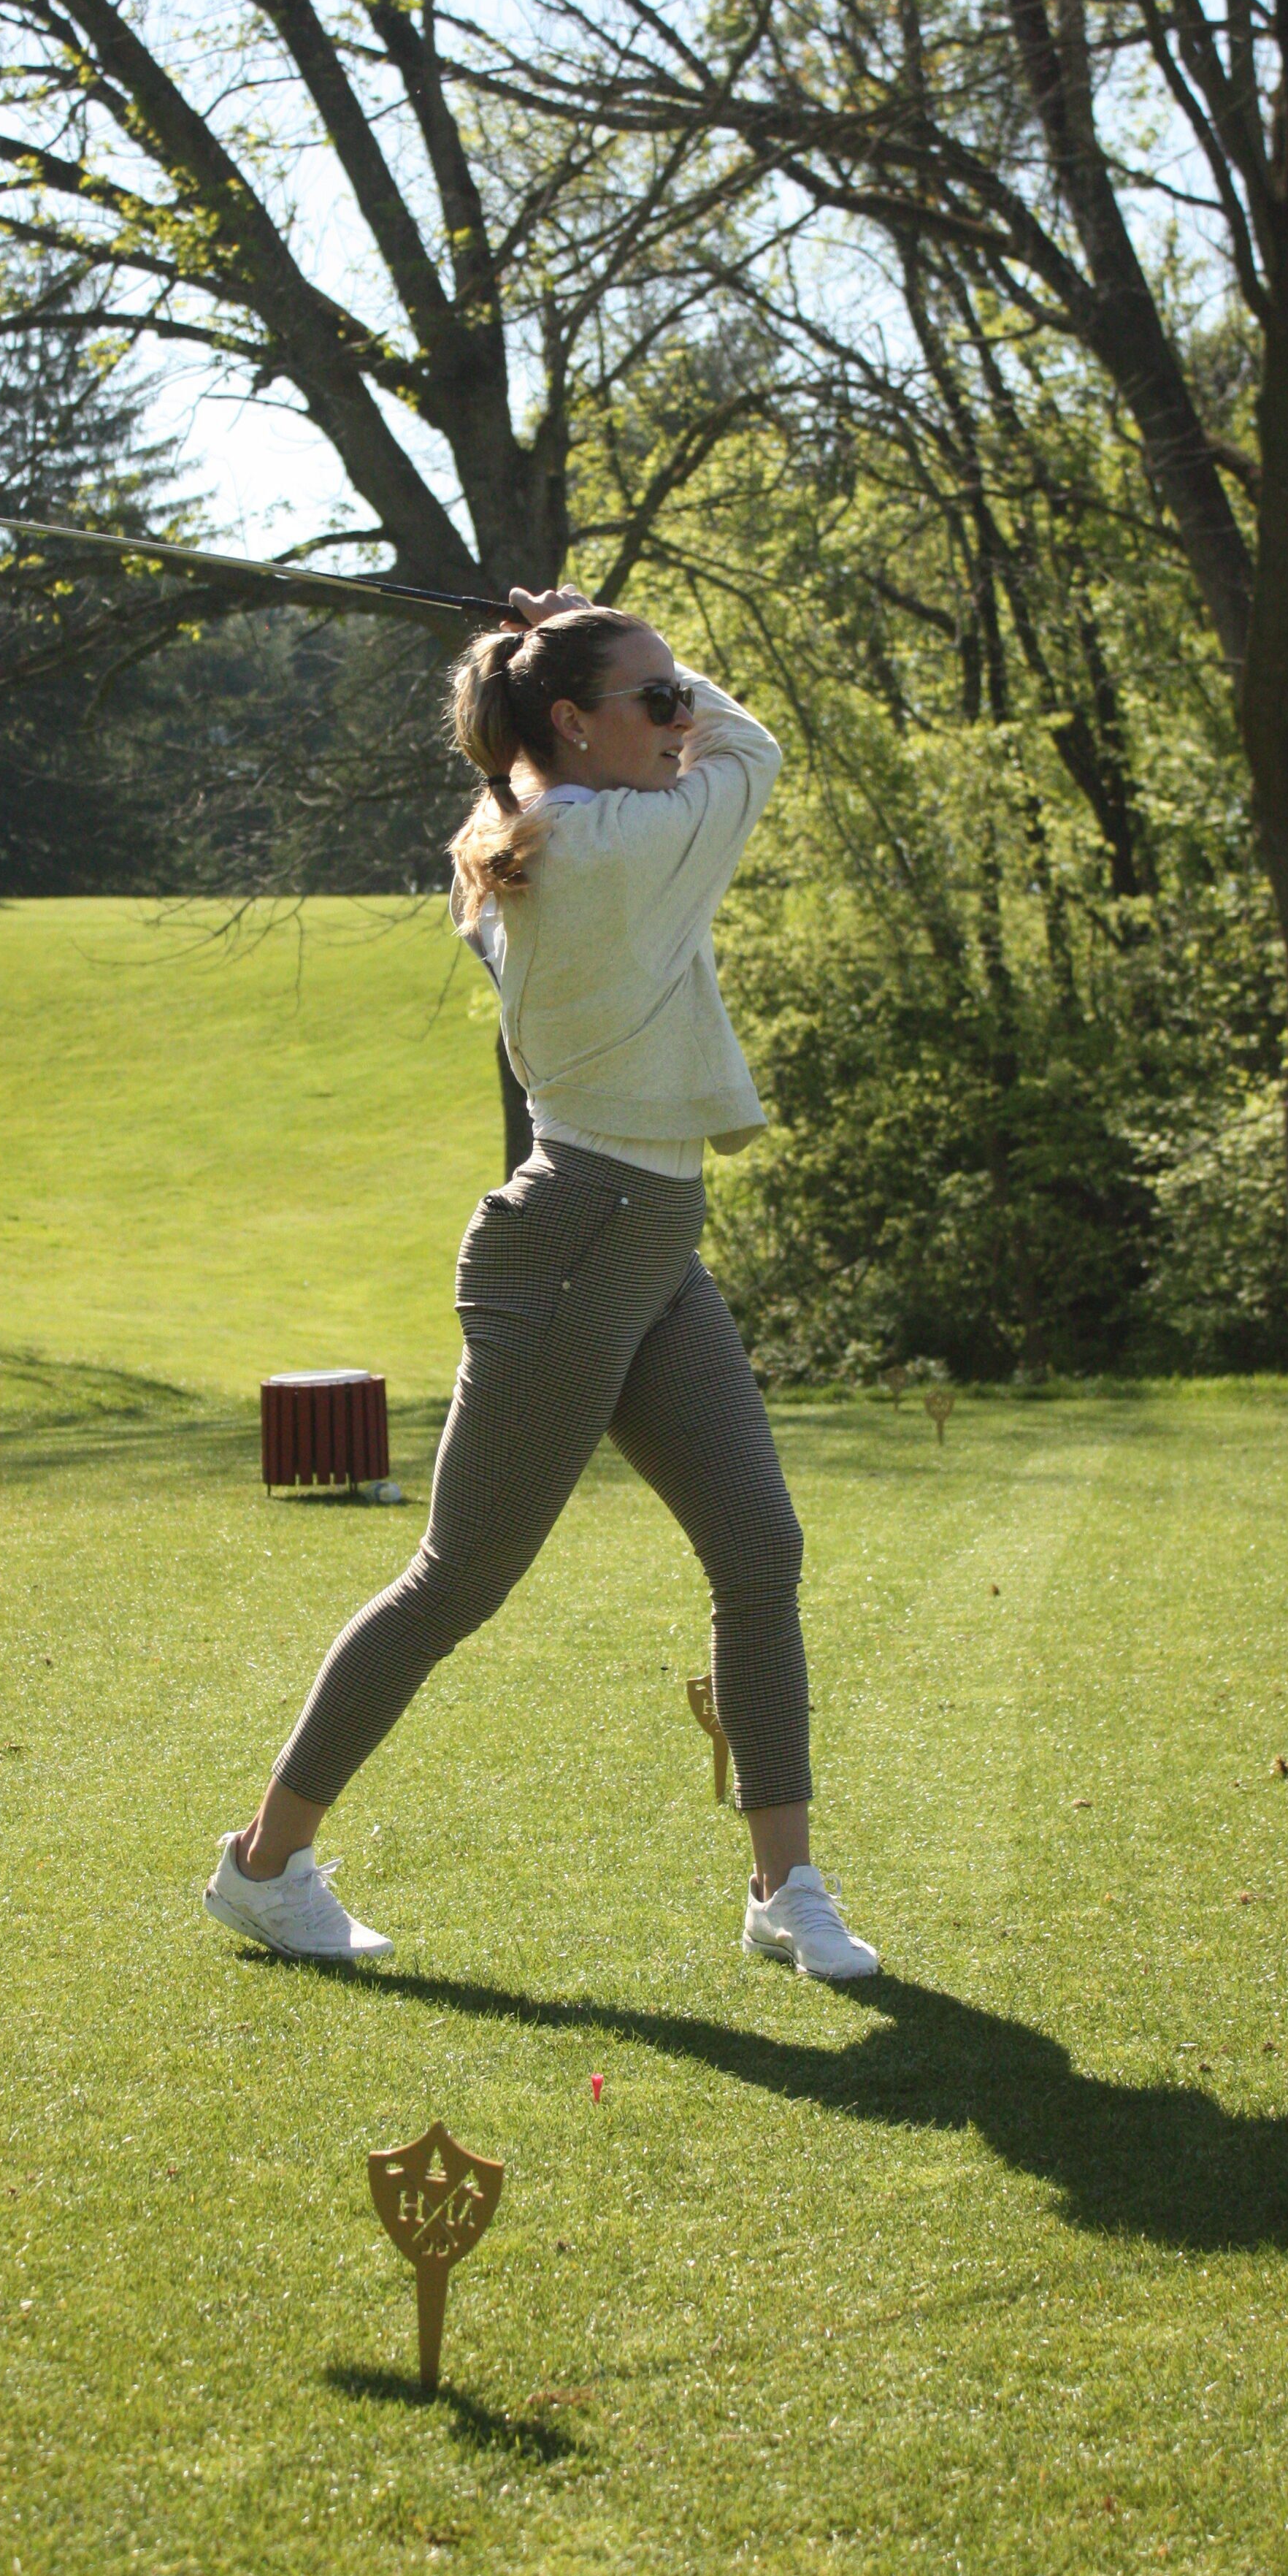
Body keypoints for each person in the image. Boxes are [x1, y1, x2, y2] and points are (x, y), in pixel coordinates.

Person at [204, 586, 878, 1981]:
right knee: (456, 1579)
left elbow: (650, 756)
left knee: (757, 1550)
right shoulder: (611, 839)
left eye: (678, 691)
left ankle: (784, 1885)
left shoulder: (538, 830)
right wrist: (604, 639)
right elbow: (755, 753)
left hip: (640, 1231)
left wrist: (583, 669)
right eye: (657, 695)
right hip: (581, 1235)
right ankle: (263, 1868)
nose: (682, 714)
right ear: (572, 723)